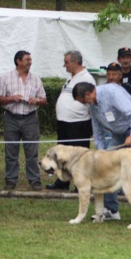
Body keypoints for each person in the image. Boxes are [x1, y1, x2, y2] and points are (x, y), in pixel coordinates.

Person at [72, 82, 131, 224]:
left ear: (88, 94)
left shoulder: (112, 92)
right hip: (118, 132)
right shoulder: (92, 104)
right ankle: (112, 210)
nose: (84, 104)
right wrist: (101, 151)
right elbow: (97, 129)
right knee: (105, 166)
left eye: (83, 101)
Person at [0, 50, 47, 191]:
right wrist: (12, 98)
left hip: (30, 118)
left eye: (30, 60)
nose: (30, 62)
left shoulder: (36, 79)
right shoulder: (6, 78)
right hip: (11, 117)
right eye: (27, 60)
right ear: (18, 61)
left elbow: (44, 100)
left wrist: (37, 100)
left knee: (32, 152)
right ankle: (11, 180)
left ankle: (34, 180)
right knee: (11, 151)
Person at [47, 50, 94, 191]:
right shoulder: (71, 78)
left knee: (78, 156)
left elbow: (90, 101)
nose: (64, 65)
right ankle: (62, 181)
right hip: (64, 122)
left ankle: (81, 184)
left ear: (75, 62)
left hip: (78, 123)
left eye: (66, 62)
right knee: (63, 154)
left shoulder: (86, 78)